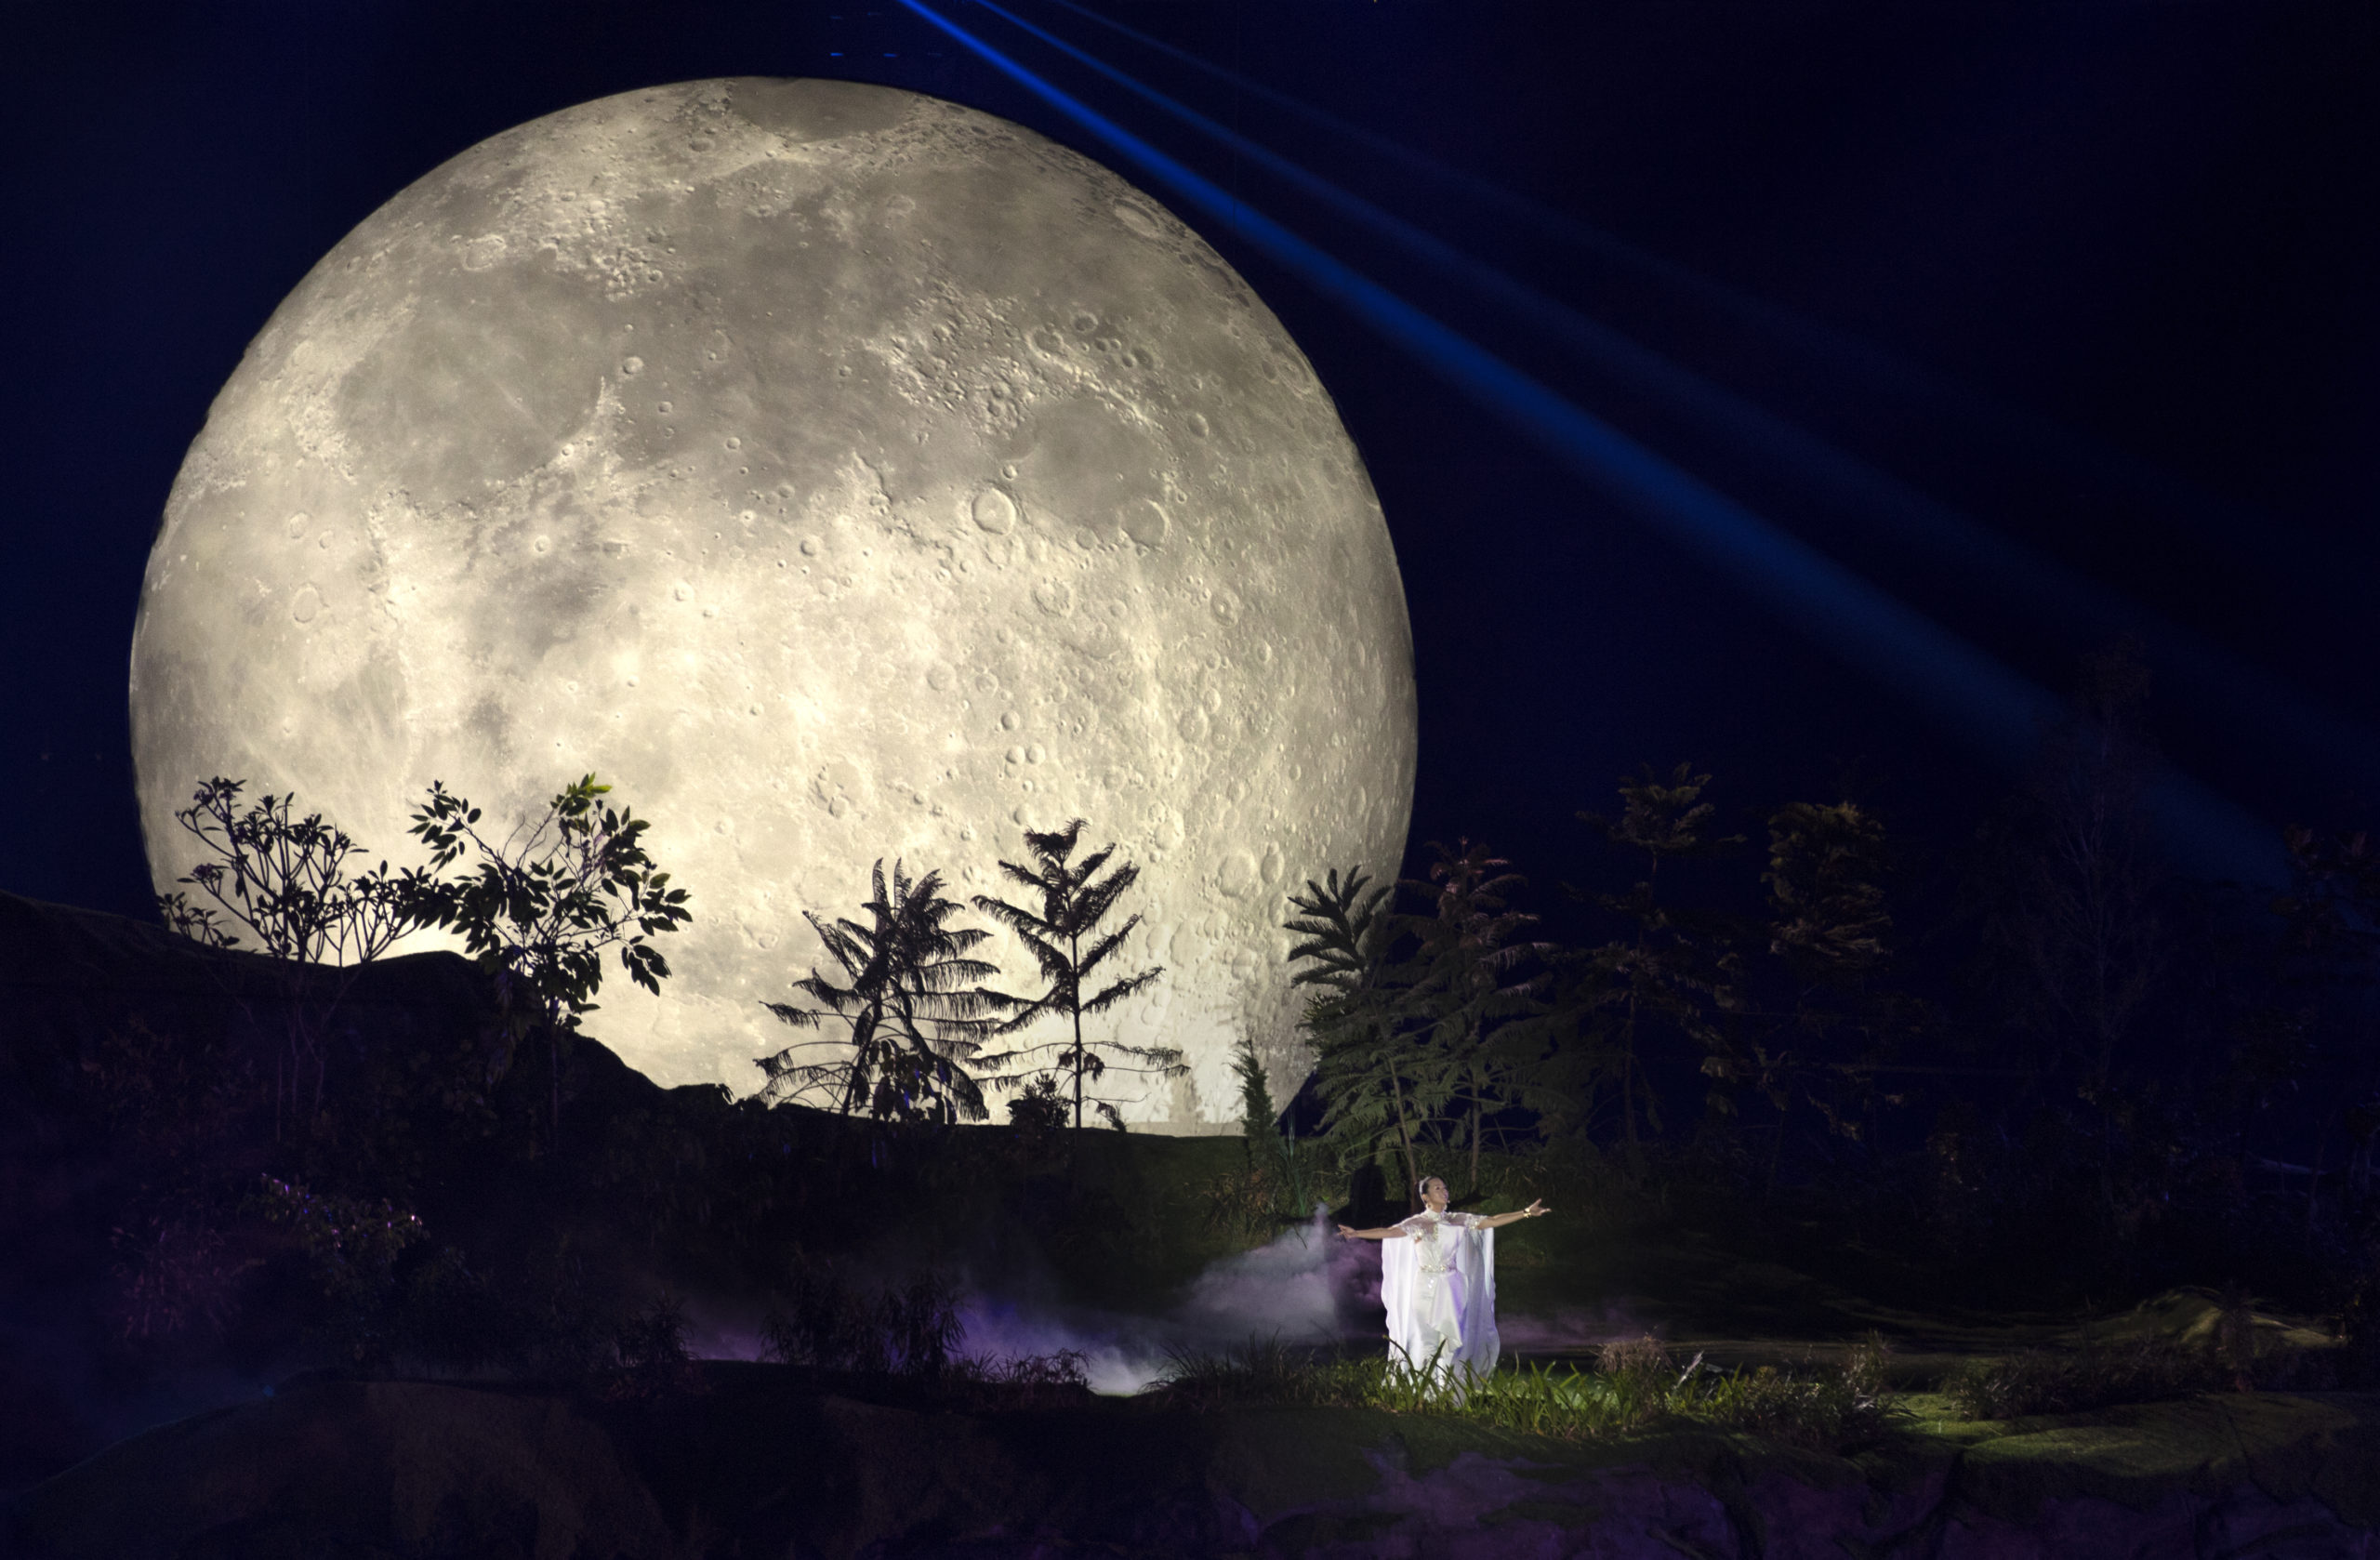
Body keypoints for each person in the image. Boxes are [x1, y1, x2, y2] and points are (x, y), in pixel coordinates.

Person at [1339, 1176, 1550, 1389]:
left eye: (1445, 1187)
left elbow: (1492, 1220)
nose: (1444, 1191)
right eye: (1437, 1188)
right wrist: (1357, 1233)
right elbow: (1390, 1232)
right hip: (1425, 1288)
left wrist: (1525, 1213)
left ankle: (1445, 1390)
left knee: (1450, 1343)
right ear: (1426, 1197)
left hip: (1452, 1287)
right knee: (1429, 1343)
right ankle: (1424, 1392)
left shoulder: (1458, 1219)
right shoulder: (1418, 1223)